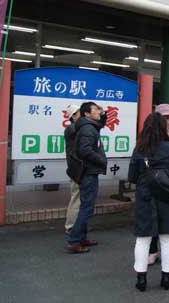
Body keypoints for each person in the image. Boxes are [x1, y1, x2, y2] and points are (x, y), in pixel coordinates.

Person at [128, 112, 169, 292]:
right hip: (168, 194)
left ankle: (141, 278)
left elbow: (132, 176)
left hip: (145, 194)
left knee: (143, 238)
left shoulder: (140, 148)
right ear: (162, 127)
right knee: (167, 238)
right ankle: (166, 277)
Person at [66, 102, 107, 253]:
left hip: (88, 171)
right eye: (95, 109)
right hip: (88, 172)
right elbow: (85, 150)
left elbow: (101, 124)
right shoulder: (88, 129)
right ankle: (75, 240)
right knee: (86, 208)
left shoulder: (88, 126)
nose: (98, 111)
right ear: (87, 114)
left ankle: (81, 238)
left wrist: (103, 114)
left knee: (86, 206)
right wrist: (101, 159)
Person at [64, 104, 81, 235]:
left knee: (78, 198)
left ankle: (75, 225)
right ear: (73, 116)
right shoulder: (71, 129)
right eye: (80, 113)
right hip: (76, 170)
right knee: (76, 198)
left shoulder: (75, 128)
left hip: (77, 169)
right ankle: (70, 226)